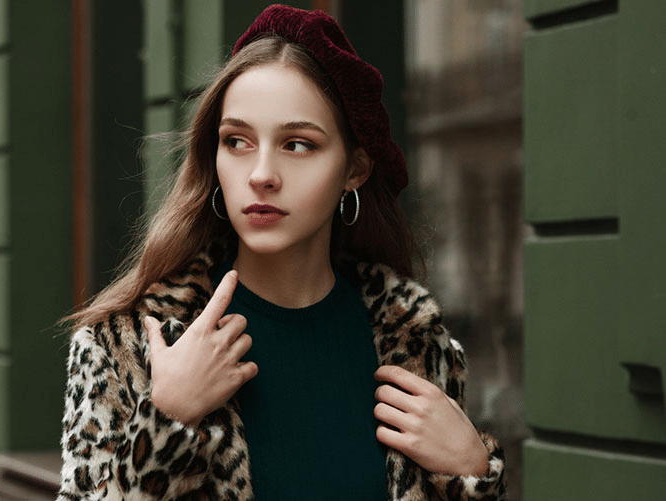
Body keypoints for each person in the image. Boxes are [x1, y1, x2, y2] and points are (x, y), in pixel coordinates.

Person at [57, 4, 505, 500]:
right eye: (237, 141)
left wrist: (471, 471)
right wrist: (168, 420)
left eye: (297, 144)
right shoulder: (129, 345)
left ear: (354, 169)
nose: (261, 174)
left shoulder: (416, 344)